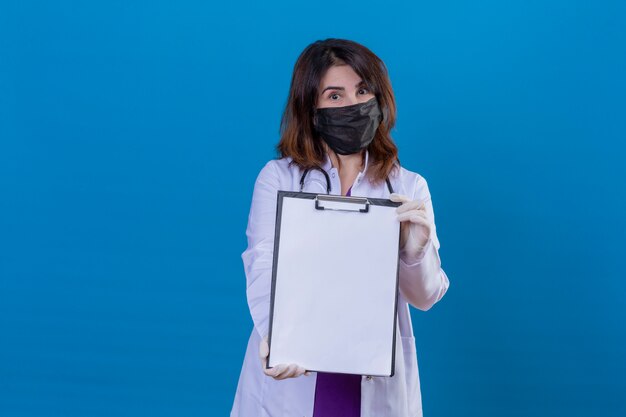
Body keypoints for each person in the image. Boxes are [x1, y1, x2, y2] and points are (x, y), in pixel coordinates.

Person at [231, 38, 450, 417]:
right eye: (334, 96)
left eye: (362, 90)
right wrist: (278, 340)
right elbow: (264, 265)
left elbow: (425, 297)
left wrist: (415, 252)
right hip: (297, 371)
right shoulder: (279, 179)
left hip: (373, 371)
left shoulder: (409, 186)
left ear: (379, 99)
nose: (352, 104)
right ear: (311, 108)